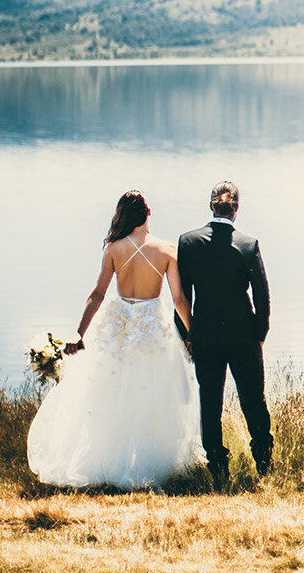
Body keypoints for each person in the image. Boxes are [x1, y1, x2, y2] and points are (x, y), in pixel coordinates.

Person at [27, 190, 205, 488]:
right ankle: (148, 461)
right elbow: (178, 299)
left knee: (108, 392)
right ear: (148, 213)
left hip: (117, 325)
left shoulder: (113, 249)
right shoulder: (167, 250)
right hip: (152, 327)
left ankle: (104, 460)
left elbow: (97, 295)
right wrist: (193, 334)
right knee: (152, 393)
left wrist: (79, 333)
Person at [178, 179, 273, 486]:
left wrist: (186, 333)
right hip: (244, 335)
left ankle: (217, 466)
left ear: (211, 206)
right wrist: (261, 330)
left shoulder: (188, 242)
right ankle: (263, 460)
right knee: (253, 400)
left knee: (210, 401)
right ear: (236, 209)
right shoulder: (248, 244)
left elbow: (183, 295)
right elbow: (262, 293)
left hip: (204, 335)